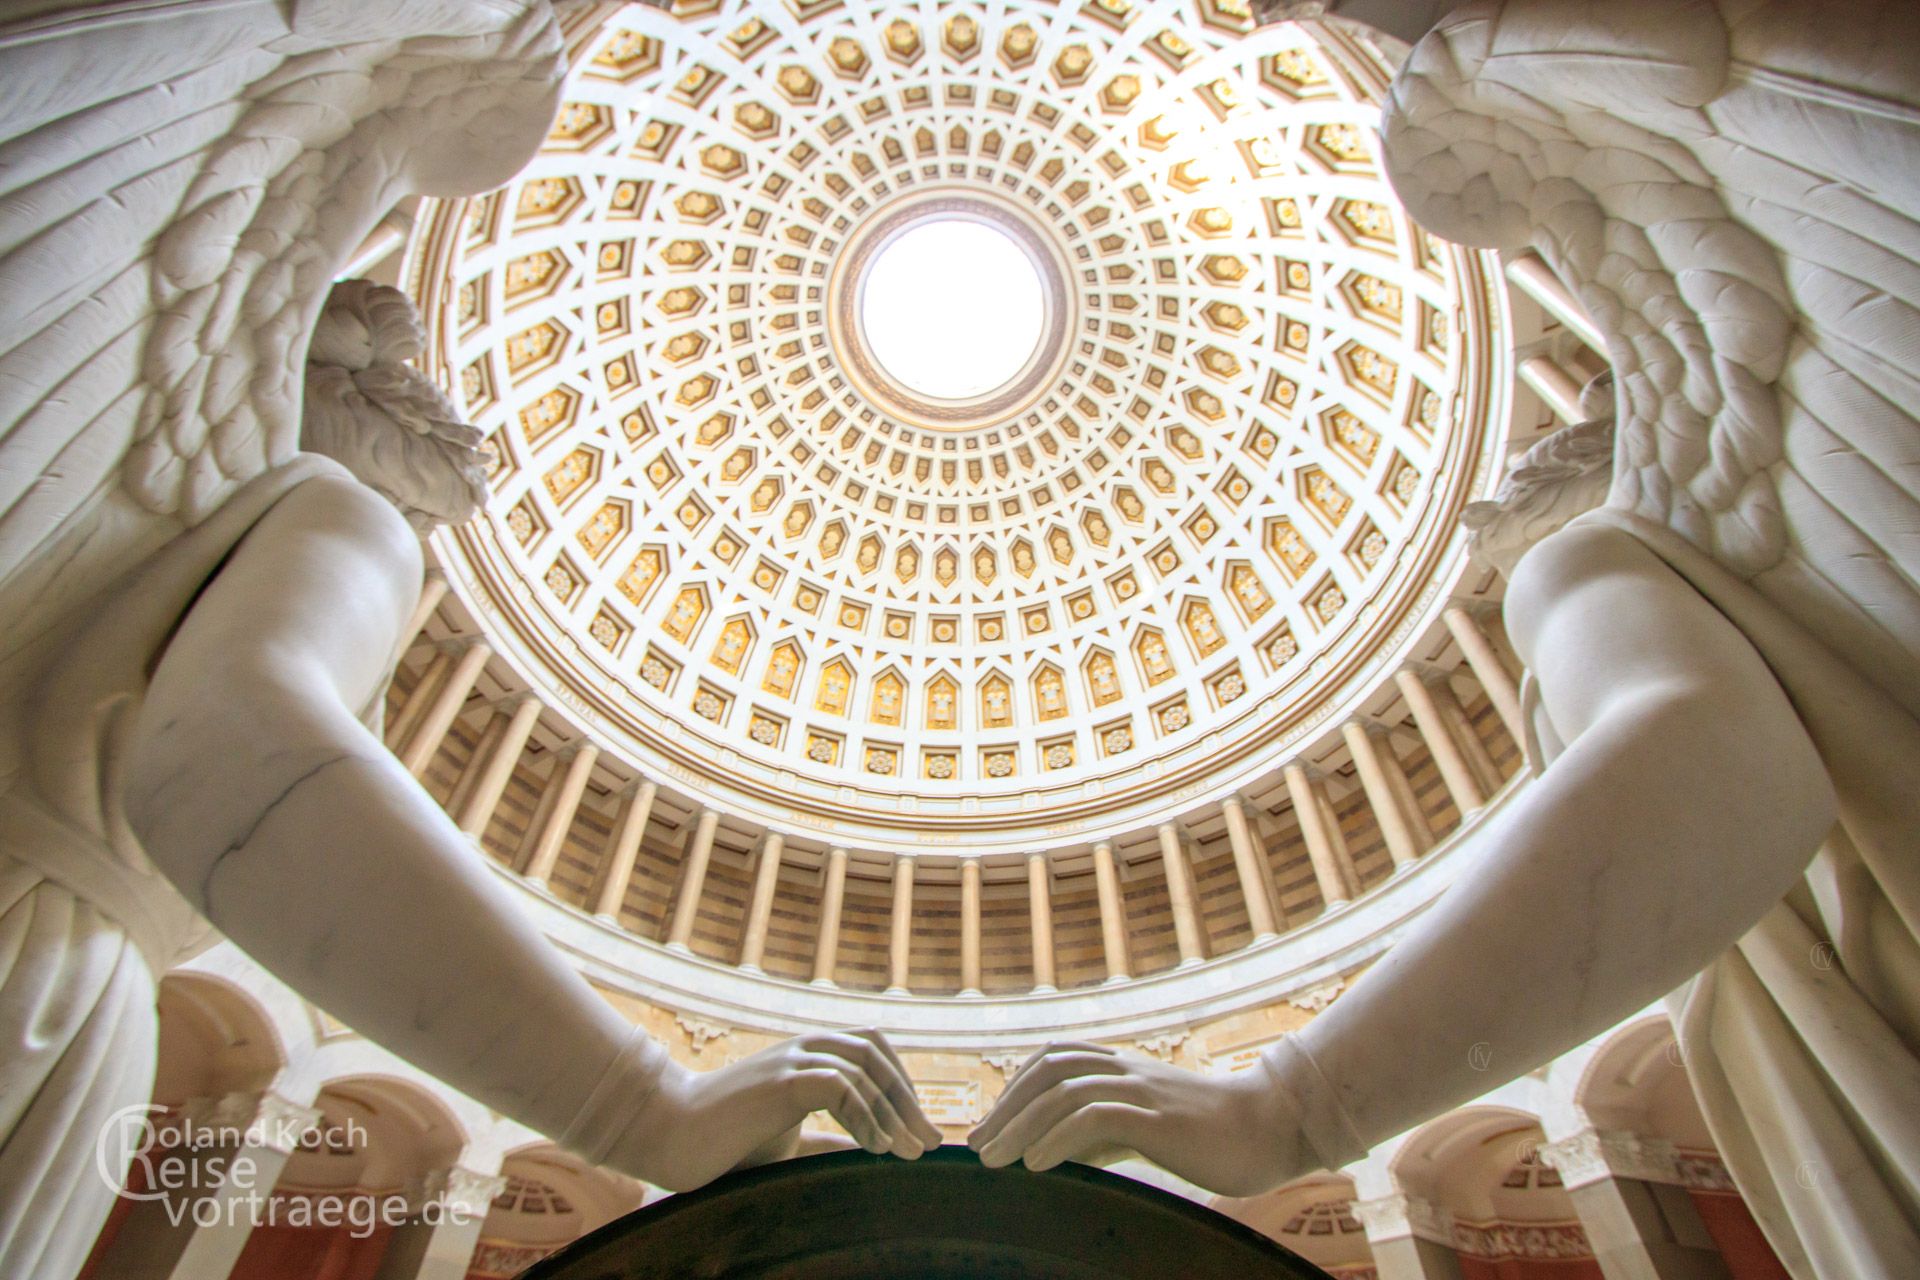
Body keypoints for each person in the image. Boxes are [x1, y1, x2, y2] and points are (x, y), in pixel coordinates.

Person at [976, 2, 1920, 1272]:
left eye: (1504, 518)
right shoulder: (1774, 487)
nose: (1494, 541)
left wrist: (1294, 1102)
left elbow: (1718, 752)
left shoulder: (1608, 551)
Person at [0, 9, 933, 1275]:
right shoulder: (318, 511)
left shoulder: (151, 434)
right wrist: (639, 1103)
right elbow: (227, 757)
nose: (438, 475)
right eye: (427, 442)